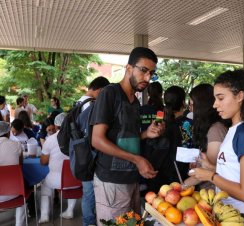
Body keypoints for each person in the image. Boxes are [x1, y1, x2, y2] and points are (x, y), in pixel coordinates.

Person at [188, 69, 244, 225]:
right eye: (214, 99)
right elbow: (235, 171)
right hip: (232, 213)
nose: (215, 104)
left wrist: (210, 177)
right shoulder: (236, 129)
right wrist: (210, 167)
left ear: (240, 96)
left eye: (220, 98)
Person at [90, 47, 163, 223]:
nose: (147, 78)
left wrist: (146, 134)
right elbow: (97, 140)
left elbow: (125, 138)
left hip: (131, 178)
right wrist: (137, 160)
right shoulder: (110, 93)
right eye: (143, 70)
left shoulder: (135, 102)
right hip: (111, 181)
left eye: (151, 73)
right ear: (129, 68)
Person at [145, 85, 193, 193]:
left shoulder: (158, 122)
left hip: (156, 177)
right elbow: (189, 150)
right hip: (180, 179)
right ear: (183, 103)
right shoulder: (187, 124)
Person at [77, 76, 110, 226]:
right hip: (90, 155)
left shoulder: (79, 102)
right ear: (100, 90)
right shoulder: (90, 105)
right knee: (90, 193)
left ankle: (89, 221)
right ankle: (89, 222)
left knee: (88, 193)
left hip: (82, 155)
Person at [39, 113, 77, 223]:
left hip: (56, 179)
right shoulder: (77, 137)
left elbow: (43, 162)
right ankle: (70, 210)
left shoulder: (50, 140)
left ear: (55, 126)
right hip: (75, 179)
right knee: (72, 184)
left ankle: (45, 215)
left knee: (45, 186)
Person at [187, 84, 228, 172]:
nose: (190, 109)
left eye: (192, 105)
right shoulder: (208, 128)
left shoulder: (215, 130)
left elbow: (211, 169)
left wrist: (184, 184)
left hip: (210, 185)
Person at [0, 121, 25, 226]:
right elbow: (20, 166)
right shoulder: (17, 144)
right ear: (8, 132)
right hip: (14, 192)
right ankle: (19, 223)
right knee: (23, 189)